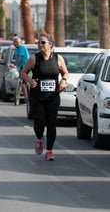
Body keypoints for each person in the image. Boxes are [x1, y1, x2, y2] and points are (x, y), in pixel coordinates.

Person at [21, 33, 69, 161]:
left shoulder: (58, 59)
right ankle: (39, 138)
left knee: (52, 123)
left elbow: (65, 72)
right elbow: (23, 72)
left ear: (50, 44)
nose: (40, 44)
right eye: (38, 42)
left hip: (53, 96)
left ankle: (49, 151)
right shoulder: (34, 59)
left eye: (43, 42)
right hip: (37, 96)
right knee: (39, 123)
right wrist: (30, 81)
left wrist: (63, 81)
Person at [9, 36, 30, 102]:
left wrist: (14, 64)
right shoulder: (17, 49)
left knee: (23, 82)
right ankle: (26, 97)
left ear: (20, 42)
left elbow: (20, 57)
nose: (15, 43)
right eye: (14, 42)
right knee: (22, 82)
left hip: (25, 67)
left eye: (16, 42)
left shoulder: (21, 47)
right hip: (21, 67)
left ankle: (26, 97)